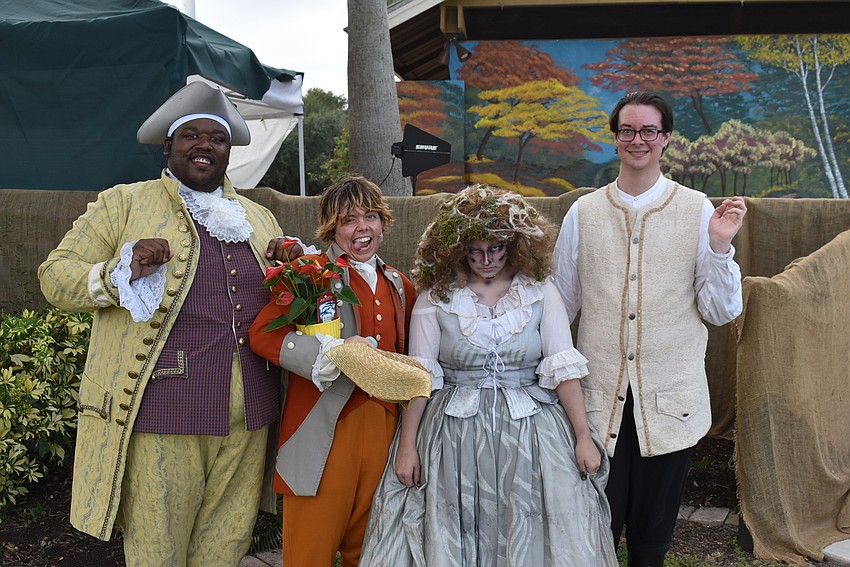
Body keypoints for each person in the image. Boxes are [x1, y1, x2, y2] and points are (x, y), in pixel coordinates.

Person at [38, 81, 302, 566]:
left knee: (226, 546)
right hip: (165, 410)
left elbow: (281, 307)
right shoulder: (123, 203)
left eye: (216, 139)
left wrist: (300, 274)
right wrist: (122, 271)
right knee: (158, 548)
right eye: (190, 136)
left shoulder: (259, 218)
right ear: (169, 145)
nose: (204, 146)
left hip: (251, 415)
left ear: (228, 151)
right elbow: (55, 280)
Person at [360, 186, 619, 566]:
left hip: (530, 432)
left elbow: (563, 369)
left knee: (533, 521)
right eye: (475, 250)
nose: (486, 259)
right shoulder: (436, 298)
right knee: (459, 523)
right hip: (453, 435)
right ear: (456, 247)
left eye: (496, 248)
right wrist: (407, 445)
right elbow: (421, 379)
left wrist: (583, 437)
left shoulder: (539, 292)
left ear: (514, 244)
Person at [552, 91, 748, 567]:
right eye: (627, 131)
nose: (637, 140)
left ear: (665, 140)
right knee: (592, 536)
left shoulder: (699, 209)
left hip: (671, 406)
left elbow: (720, 311)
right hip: (598, 407)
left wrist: (720, 248)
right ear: (615, 138)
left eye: (648, 131)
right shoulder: (583, 212)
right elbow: (558, 306)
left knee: (651, 545)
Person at [248, 175, 417, 567]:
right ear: (331, 228)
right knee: (310, 554)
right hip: (321, 432)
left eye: (371, 217)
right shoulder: (311, 272)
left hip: (384, 434)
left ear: (383, 223)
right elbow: (262, 336)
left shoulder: (400, 284)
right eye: (349, 219)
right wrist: (332, 353)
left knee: (373, 553)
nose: (362, 228)